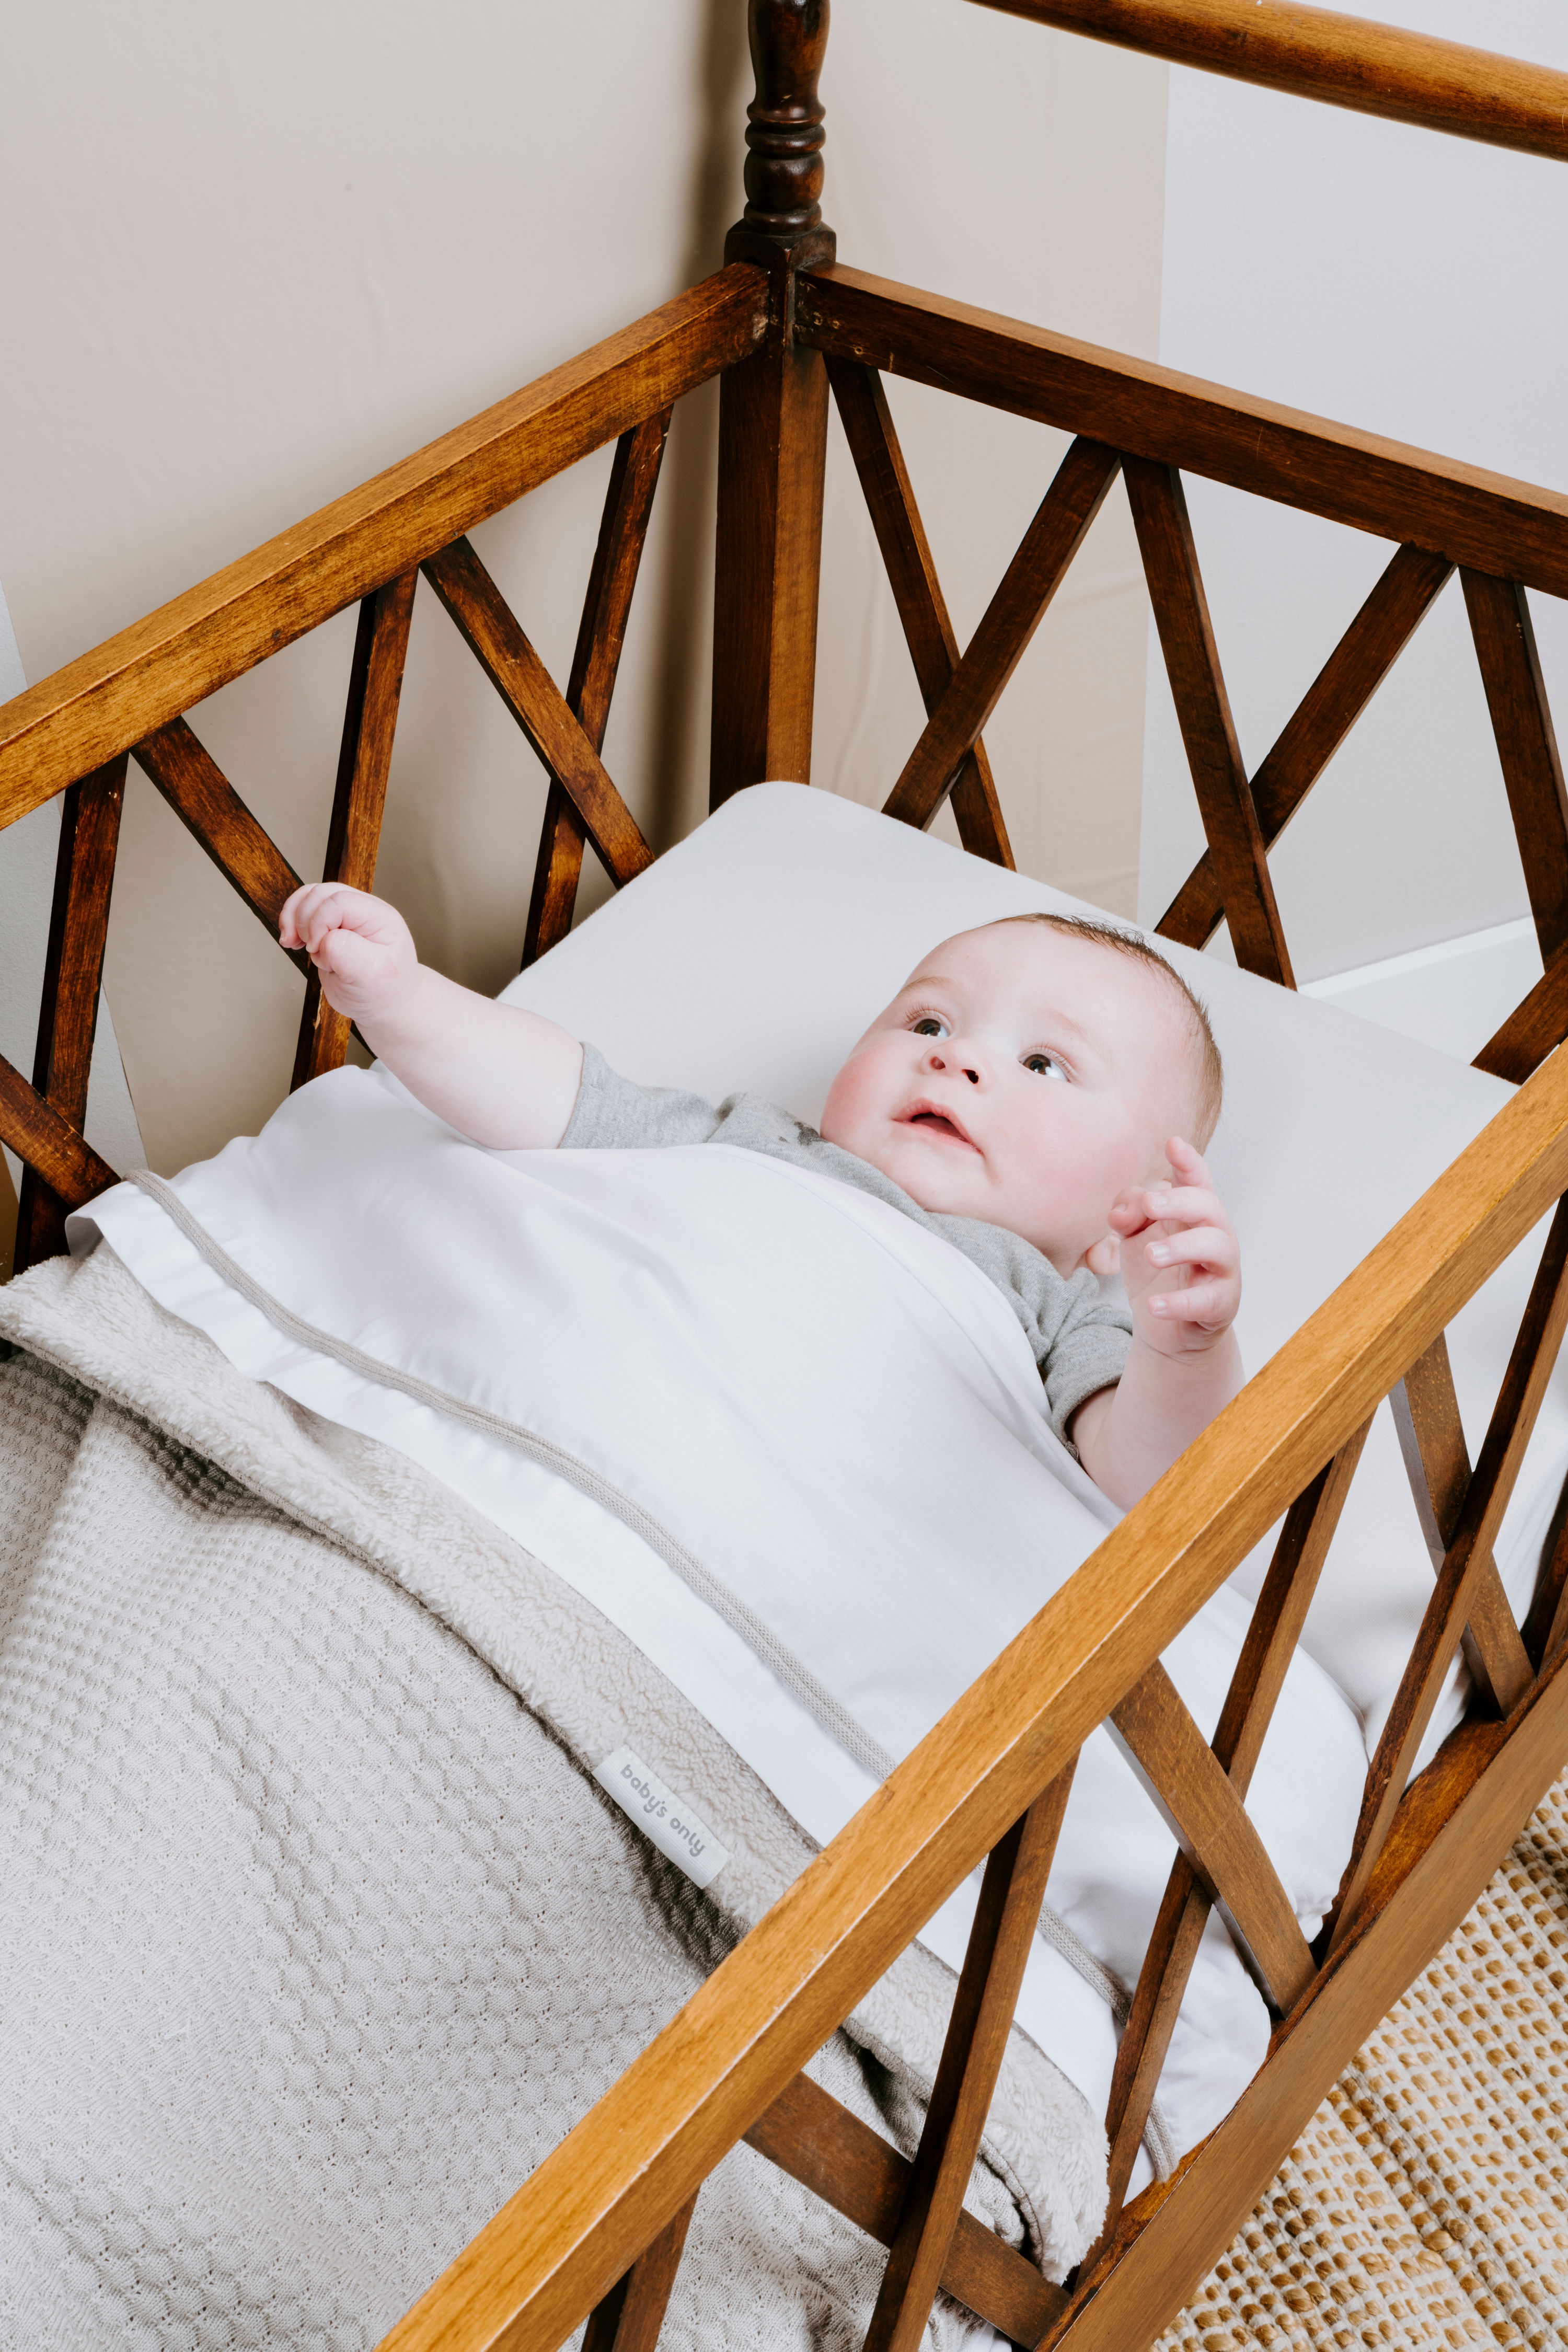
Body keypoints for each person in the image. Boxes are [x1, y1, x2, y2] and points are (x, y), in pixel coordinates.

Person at [278, 884, 1241, 1509]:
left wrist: (1183, 1348)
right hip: (490, 1460)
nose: (956, 1056)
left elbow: (1141, 1478)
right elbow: (558, 1096)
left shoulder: (1050, 1310)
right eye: (929, 1018)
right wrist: (404, 1002)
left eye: (1044, 1062)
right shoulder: (751, 1143)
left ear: (1136, 1210)